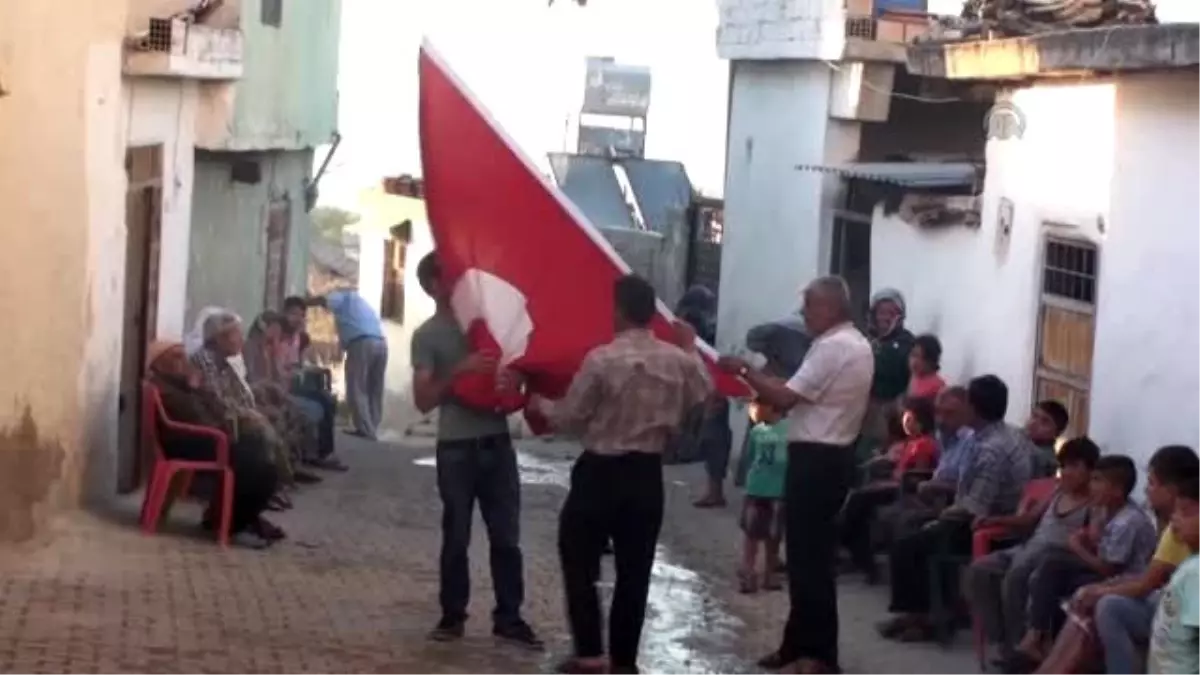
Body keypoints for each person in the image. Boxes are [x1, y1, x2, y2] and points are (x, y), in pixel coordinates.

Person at [531, 274, 712, 675]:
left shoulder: (602, 358)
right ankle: (624, 661)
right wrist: (690, 347)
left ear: (618, 310)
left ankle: (591, 653)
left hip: (600, 471)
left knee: (578, 558)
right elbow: (705, 393)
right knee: (635, 569)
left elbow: (570, 416)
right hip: (647, 474)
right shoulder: (677, 360)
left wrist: (538, 401)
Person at [717, 275, 874, 675]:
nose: (805, 315)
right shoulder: (849, 344)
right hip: (826, 457)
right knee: (805, 557)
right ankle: (796, 646)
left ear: (830, 308)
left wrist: (746, 371)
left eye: (809, 307)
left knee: (811, 562)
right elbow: (796, 391)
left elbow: (785, 396)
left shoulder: (835, 346)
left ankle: (817, 657)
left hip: (819, 460)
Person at [409, 252, 541, 649]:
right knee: (457, 536)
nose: (460, 280)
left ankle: (509, 617)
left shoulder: (492, 324)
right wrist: (460, 371)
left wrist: (515, 379)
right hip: (456, 448)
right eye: (449, 275)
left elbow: (523, 363)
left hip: (498, 443)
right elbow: (423, 400)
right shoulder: (428, 335)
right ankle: (452, 617)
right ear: (433, 285)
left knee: (506, 537)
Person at [879, 374, 1033, 644]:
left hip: (989, 526)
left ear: (973, 408)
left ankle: (926, 619)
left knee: (911, 543)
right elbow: (963, 481)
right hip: (972, 513)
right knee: (908, 526)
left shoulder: (992, 448)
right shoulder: (993, 435)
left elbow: (975, 507)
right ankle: (924, 612)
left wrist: (939, 516)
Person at [1032, 445, 1200, 675]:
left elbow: (1141, 582)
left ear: (1171, 489)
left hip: (1163, 601)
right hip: (1160, 595)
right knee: (1076, 585)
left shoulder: (1162, 528)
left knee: (1105, 603)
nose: (1146, 490)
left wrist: (1099, 588)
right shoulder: (1171, 526)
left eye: (1152, 483)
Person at [964, 436, 1099, 662]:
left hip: (1054, 555)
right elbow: (1028, 520)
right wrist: (994, 519)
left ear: (1091, 471)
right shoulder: (1057, 492)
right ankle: (1002, 641)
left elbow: (1093, 539)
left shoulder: (1094, 503)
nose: (1066, 472)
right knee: (980, 570)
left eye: (1075, 467)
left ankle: (1021, 647)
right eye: (1063, 466)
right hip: (1028, 547)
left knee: (1016, 576)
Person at [1014, 455, 1158, 665]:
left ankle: (1037, 639)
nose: (1092, 486)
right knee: (1048, 568)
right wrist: (1091, 534)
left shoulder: (1128, 521)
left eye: (1098, 480)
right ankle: (1039, 639)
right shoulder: (1107, 509)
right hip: (1108, 570)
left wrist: (1077, 546)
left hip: (1123, 579)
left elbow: (1108, 569)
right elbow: (1099, 545)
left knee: (1054, 568)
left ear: (1117, 490)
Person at [146, 341, 281, 549]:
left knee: (259, 456)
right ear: (160, 364)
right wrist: (197, 393)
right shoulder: (166, 389)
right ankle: (230, 521)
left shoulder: (176, 384)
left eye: (183, 356)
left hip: (200, 439)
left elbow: (208, 413)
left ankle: (230, 516)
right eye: (176, 357)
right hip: (186, 443)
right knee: (258, 464)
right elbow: (198, 419)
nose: (184, 362)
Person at [186, 308, 296, 505]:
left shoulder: (223, 362)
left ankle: (275, 485)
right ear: (219, 338)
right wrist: (248, 413)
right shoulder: (205, 359)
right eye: (236, 334)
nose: (241, 339)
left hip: (228, 419)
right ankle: (269, 487)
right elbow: (215, 400)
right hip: (213, 426)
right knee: (262, 432)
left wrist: (253, 408)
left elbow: (241, 394)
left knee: (269, 420)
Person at [841, 396, 938, 583]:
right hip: (894, 484)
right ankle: (861, 557)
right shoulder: (911, 442)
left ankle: (857, 554)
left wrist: (889, 481)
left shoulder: (925, 443)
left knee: (859, 501)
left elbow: (916, 477)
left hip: (903, 490)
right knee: (858, 502)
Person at [673, 286, 734, 509]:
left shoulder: (701, 330)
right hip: (711, 389)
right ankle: (714, 490)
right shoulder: (709, 328)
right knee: (712, 439)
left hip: (712, 390)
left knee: (712, 439)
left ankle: (715, 491)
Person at [308, 288, 387, 440]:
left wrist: (306, 302)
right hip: (380, 342)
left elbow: (324, 300)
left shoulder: (343, 298)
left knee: (356, 386)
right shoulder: (362, 303)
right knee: (375, 388)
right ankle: (373, 426)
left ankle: (366, 429)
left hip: (361, 342)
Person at [282, 296, 347, 471]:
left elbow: (297, 364)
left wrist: (302, 370)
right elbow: (279, 368)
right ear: (284, 314)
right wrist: (293, 371)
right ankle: (316, 455)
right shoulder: (278, 336)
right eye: (293, 314)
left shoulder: (297, 337)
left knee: (326, 399)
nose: (298, 319)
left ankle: (325, 453)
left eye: (302, 315)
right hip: (281, 387)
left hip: (292, 383)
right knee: (317, 404)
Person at [1146, 473, 1200, 675]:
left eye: (1186, 512)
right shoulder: (1191, 565)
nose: (1175, 518)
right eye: (1176, 511)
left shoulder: (1197, 574)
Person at [738, 399, 788, 594]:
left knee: (755, 534)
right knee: (771, 535)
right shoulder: (790, 430)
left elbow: (750, 458)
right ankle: (765, 573)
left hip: (760, 487)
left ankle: (751, 571)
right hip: (774, 489)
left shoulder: (758, 431)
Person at [861, 289, 914, 457]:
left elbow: (892, 369)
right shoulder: (868, 341)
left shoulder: (906, 342)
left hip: (891, 410)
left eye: (891, 313)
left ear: (900, 315)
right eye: (881, 312)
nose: (885, 317)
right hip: (865, 408)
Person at [1027, 400, 1070, 479]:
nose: (1034, 423)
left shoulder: (1045, 461)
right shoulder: (1020, 439)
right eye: (1034, 416)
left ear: (1057, 433)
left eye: (1045, 422)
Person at [906, 333, 945, 401]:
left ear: (931, 361)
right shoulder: (914, 378)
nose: (914, 361)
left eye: (920, 357)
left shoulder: (938, 388)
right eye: (913, 355)